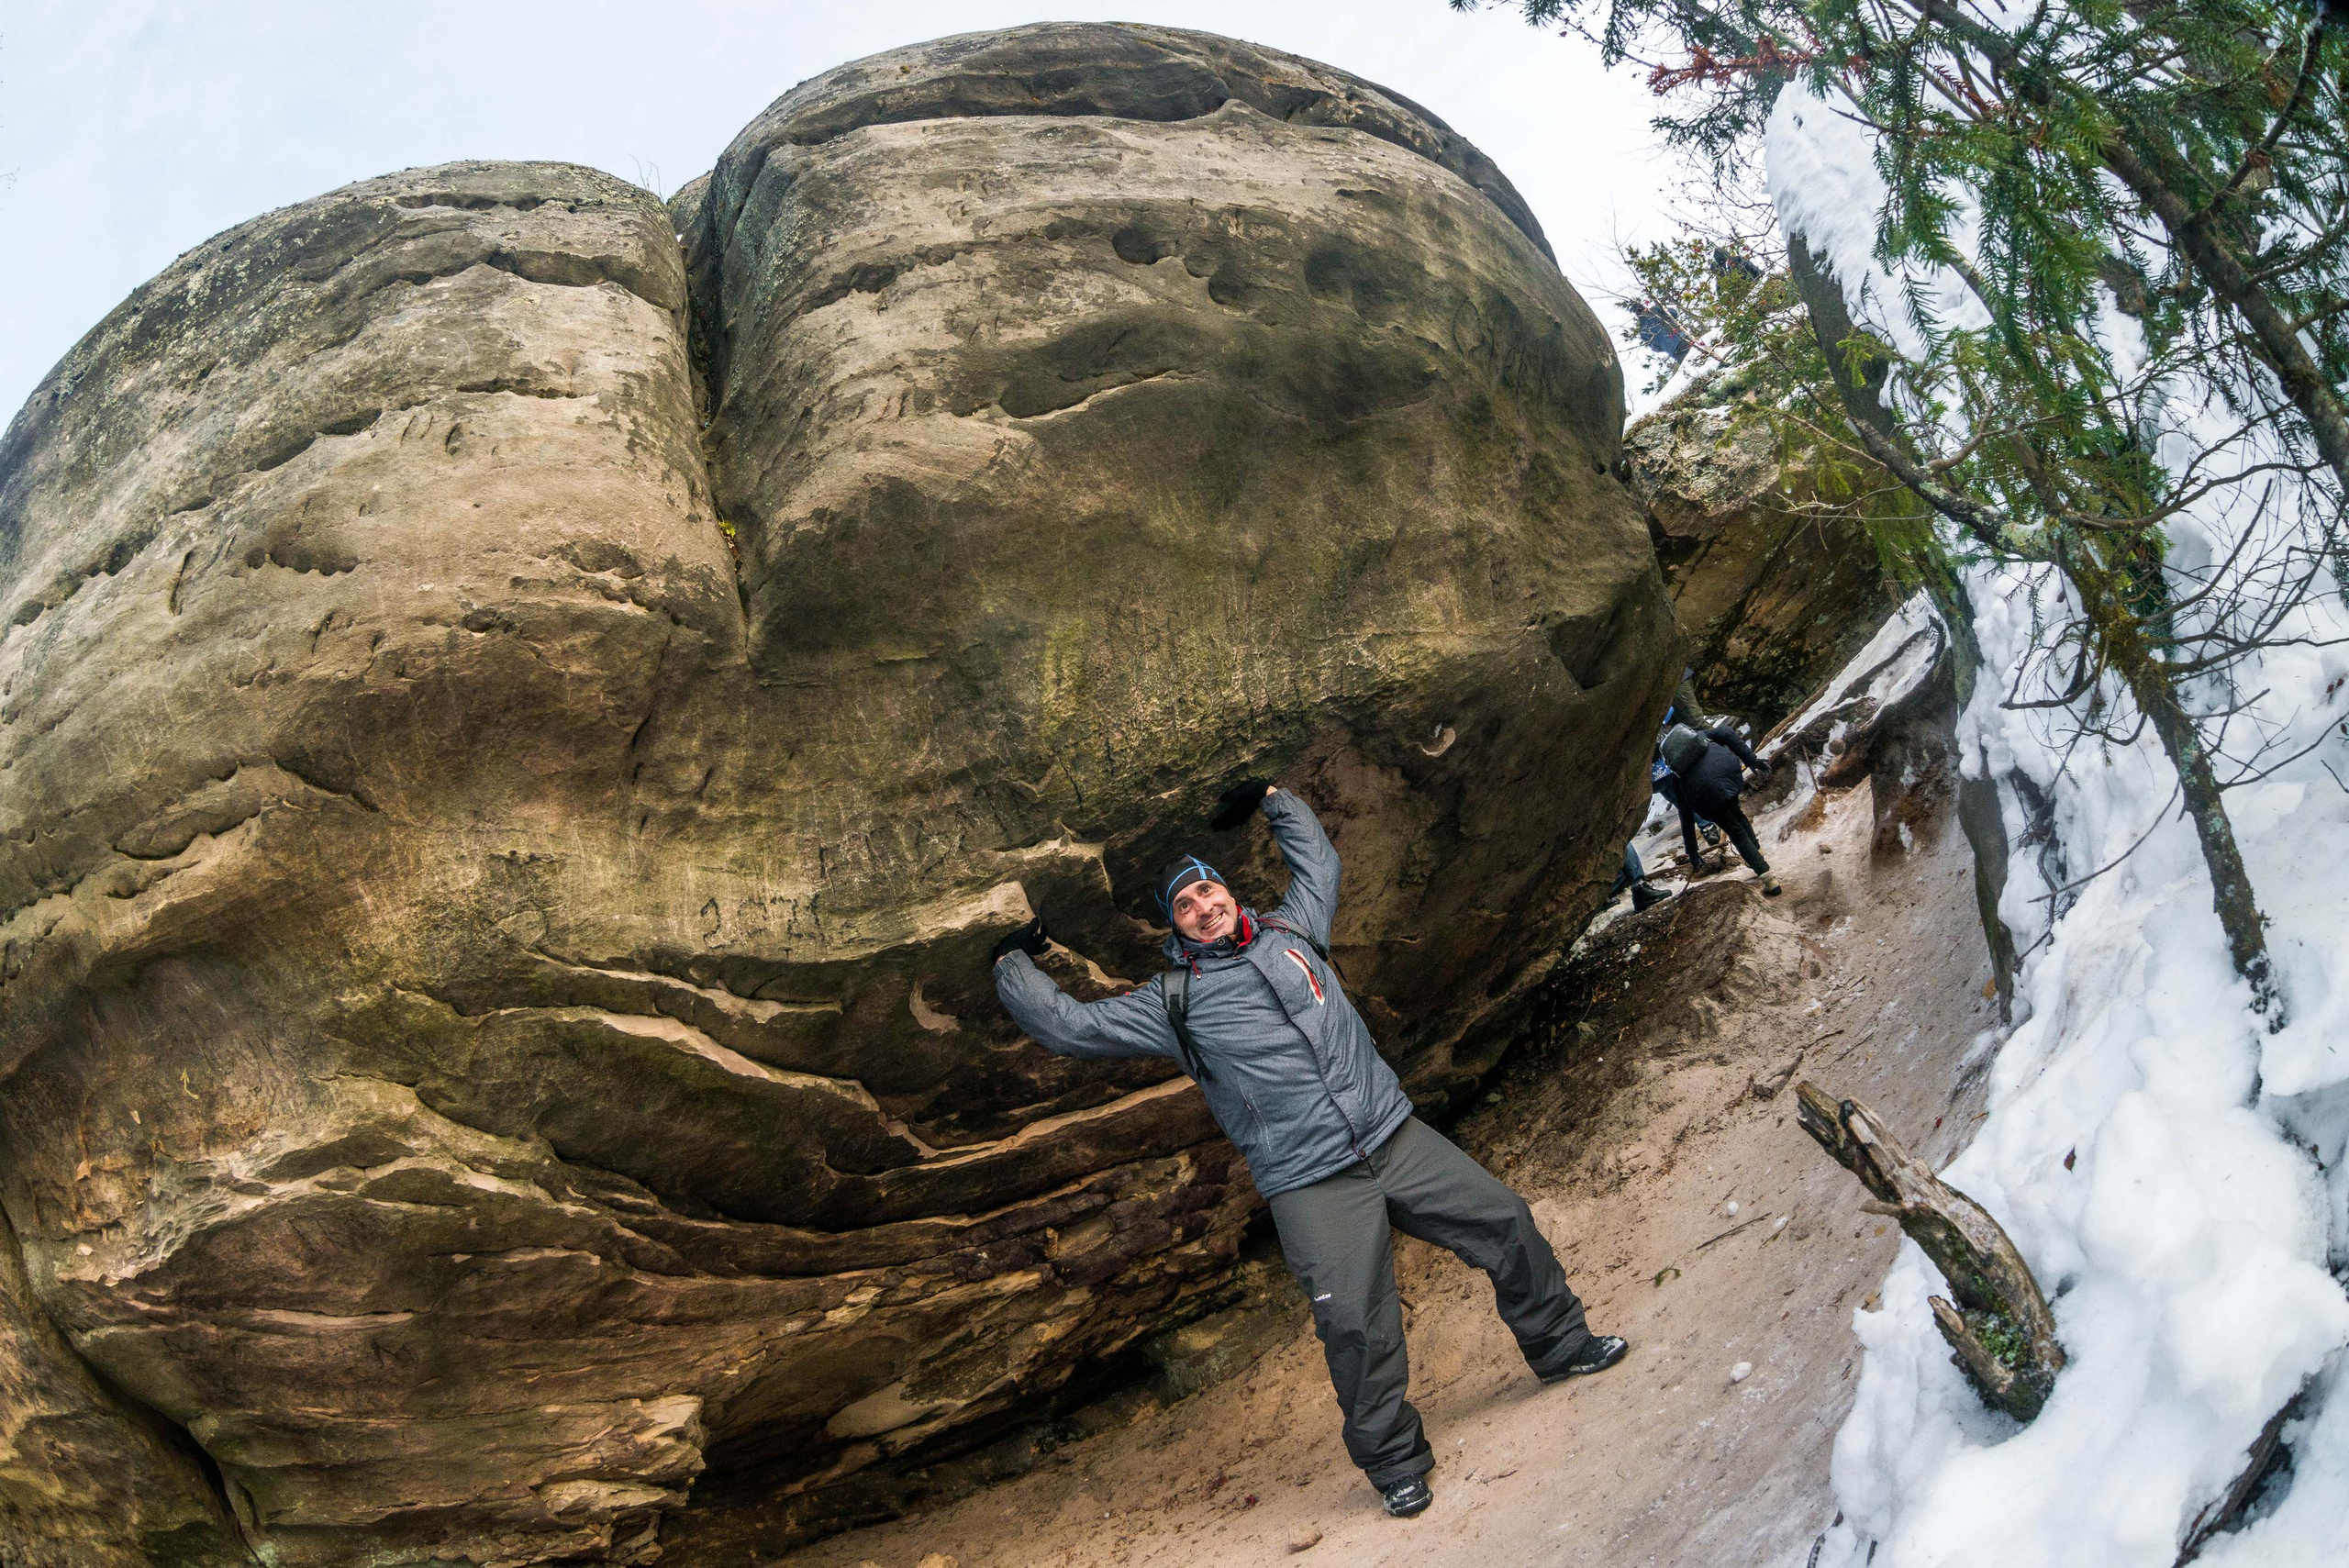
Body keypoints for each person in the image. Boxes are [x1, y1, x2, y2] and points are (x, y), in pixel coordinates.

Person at [989, 779, 1626, 1520]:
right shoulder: (1173, 1002)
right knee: (1355, 1323)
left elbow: (1319, 862)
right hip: (1308, 1181)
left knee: (1506, 1220)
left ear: (1228, 892)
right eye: (1185, 906)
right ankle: (1395, 1464)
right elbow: (1071, 1026)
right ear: (1177, 926)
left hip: (1391, 1133)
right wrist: (1012, 962)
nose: (1202, 907)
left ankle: (1562, 1345)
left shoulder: (1295, 930)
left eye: (1207, 890)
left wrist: (1271, 795)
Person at [1657, 722, 1781, 895]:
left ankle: (1769, 880)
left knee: (1734, 830)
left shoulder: (1678, 775)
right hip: (1728, 773)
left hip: (1704, 795)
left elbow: (1686, 816)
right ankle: (1756, 851)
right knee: (1735, 811)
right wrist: (1752, 761)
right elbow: (1726, 733)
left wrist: (1692, 853)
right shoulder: (1702, 736)